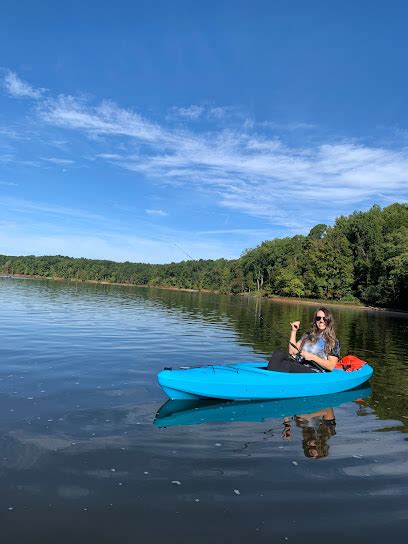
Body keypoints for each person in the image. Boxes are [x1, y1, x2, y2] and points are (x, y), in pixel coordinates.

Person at [267, 307, 340, 373]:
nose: (321, 321)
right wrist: (293, 331)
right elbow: (292, 352)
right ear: (315, 321)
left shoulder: (333, 341)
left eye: (324, 318)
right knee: (278, 354)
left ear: (329, 320)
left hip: (314, 371)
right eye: (318, 318)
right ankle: (269, 377)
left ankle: (270, 380)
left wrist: (312, 357)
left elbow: (331, 366)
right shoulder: (308, 335)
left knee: (287, 365)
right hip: (299, 365)